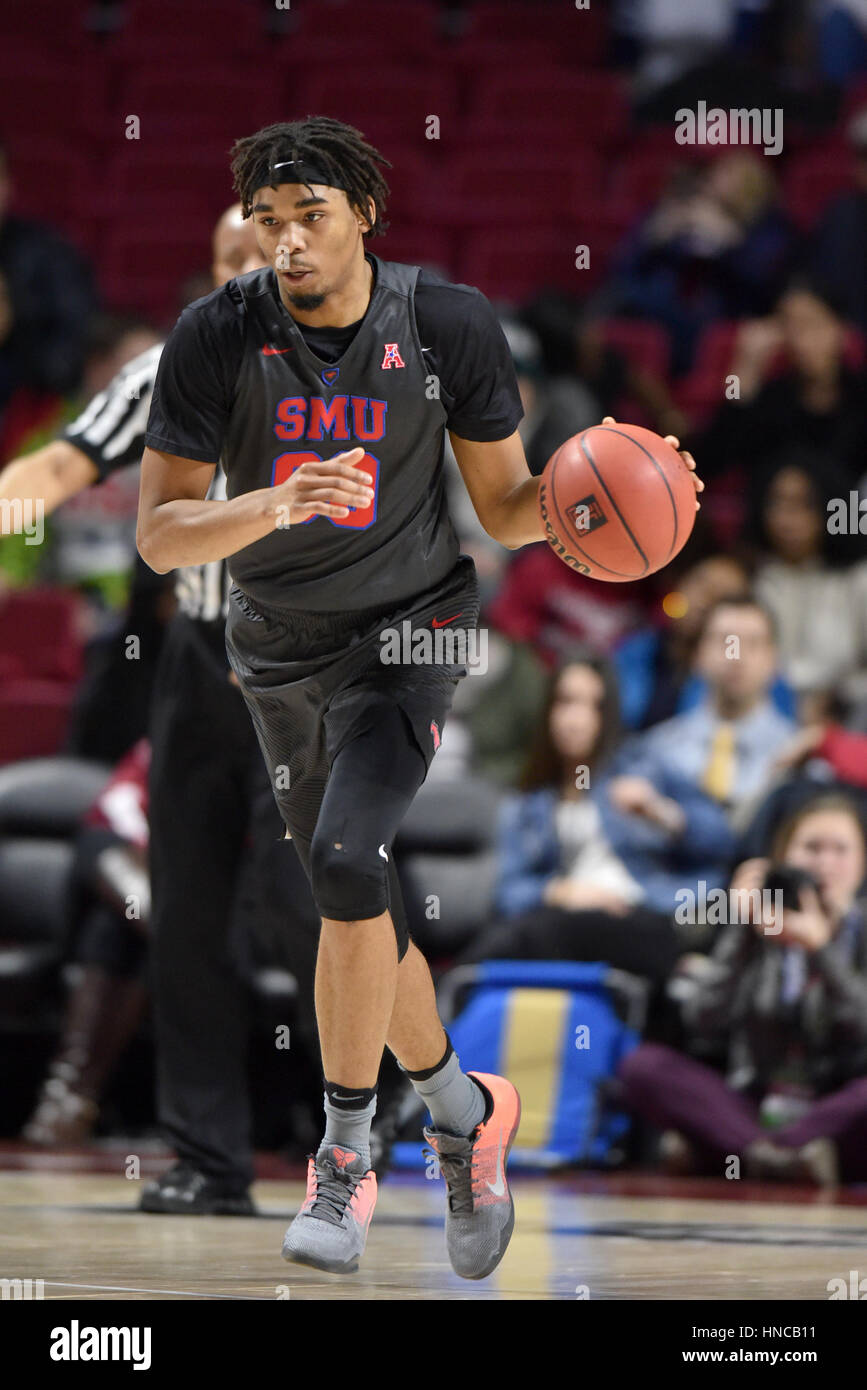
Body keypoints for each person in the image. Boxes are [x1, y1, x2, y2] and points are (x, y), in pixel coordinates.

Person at [134, 113, 707, 1277]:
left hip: (414, 629)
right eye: (269, 221)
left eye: (311, 217)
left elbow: (502, 509)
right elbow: (158, 534)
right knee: (356, 898)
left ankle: (346, 1158)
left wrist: (604, 495)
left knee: (347, 864)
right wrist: (276, 503)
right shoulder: (213, 336)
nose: (287, 241)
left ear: (364, 217)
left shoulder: (445, 322)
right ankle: (461, 1103)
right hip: (276, 649)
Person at [0, 204, 322, 1216]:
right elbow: (63, 464)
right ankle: (210, 1161)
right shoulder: (167, 369)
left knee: (302, 902)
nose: (237, 272)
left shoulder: (345, 374)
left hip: (308, 663)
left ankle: (378, 1110)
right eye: (221, 255)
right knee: (181, 914)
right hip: (196, 652)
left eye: (255, 255)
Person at [618, 793, 867, 1185]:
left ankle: (733, 1153)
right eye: (811, 848)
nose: (825, 863)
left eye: (841, 850)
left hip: (837, 1116)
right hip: (754, 1104)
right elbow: (703, 1020)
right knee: (644, 1067)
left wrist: (821, 950)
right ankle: (780, 1159)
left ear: (862, 863)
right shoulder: (757, 931)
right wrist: (742, 929)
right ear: (782, 857)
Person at [455, 647, 734, 985]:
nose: (577, 718)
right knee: (535, 933)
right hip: (566, 925)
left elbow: (722, 841)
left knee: (534, 934)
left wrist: (662, 813)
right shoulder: (531, 800)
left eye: (593, 705)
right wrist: (562, 892)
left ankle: (447, 991)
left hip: (643, 917)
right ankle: (450, 995)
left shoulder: (643, 764)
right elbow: (509, 891)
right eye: (566, 702)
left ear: (609, 714)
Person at [627, 595, 796, 831]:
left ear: (774, 659)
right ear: (698, 654)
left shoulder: (798, 759)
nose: (737, 657)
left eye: (753, 643)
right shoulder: (655, 751)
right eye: (726, 642)